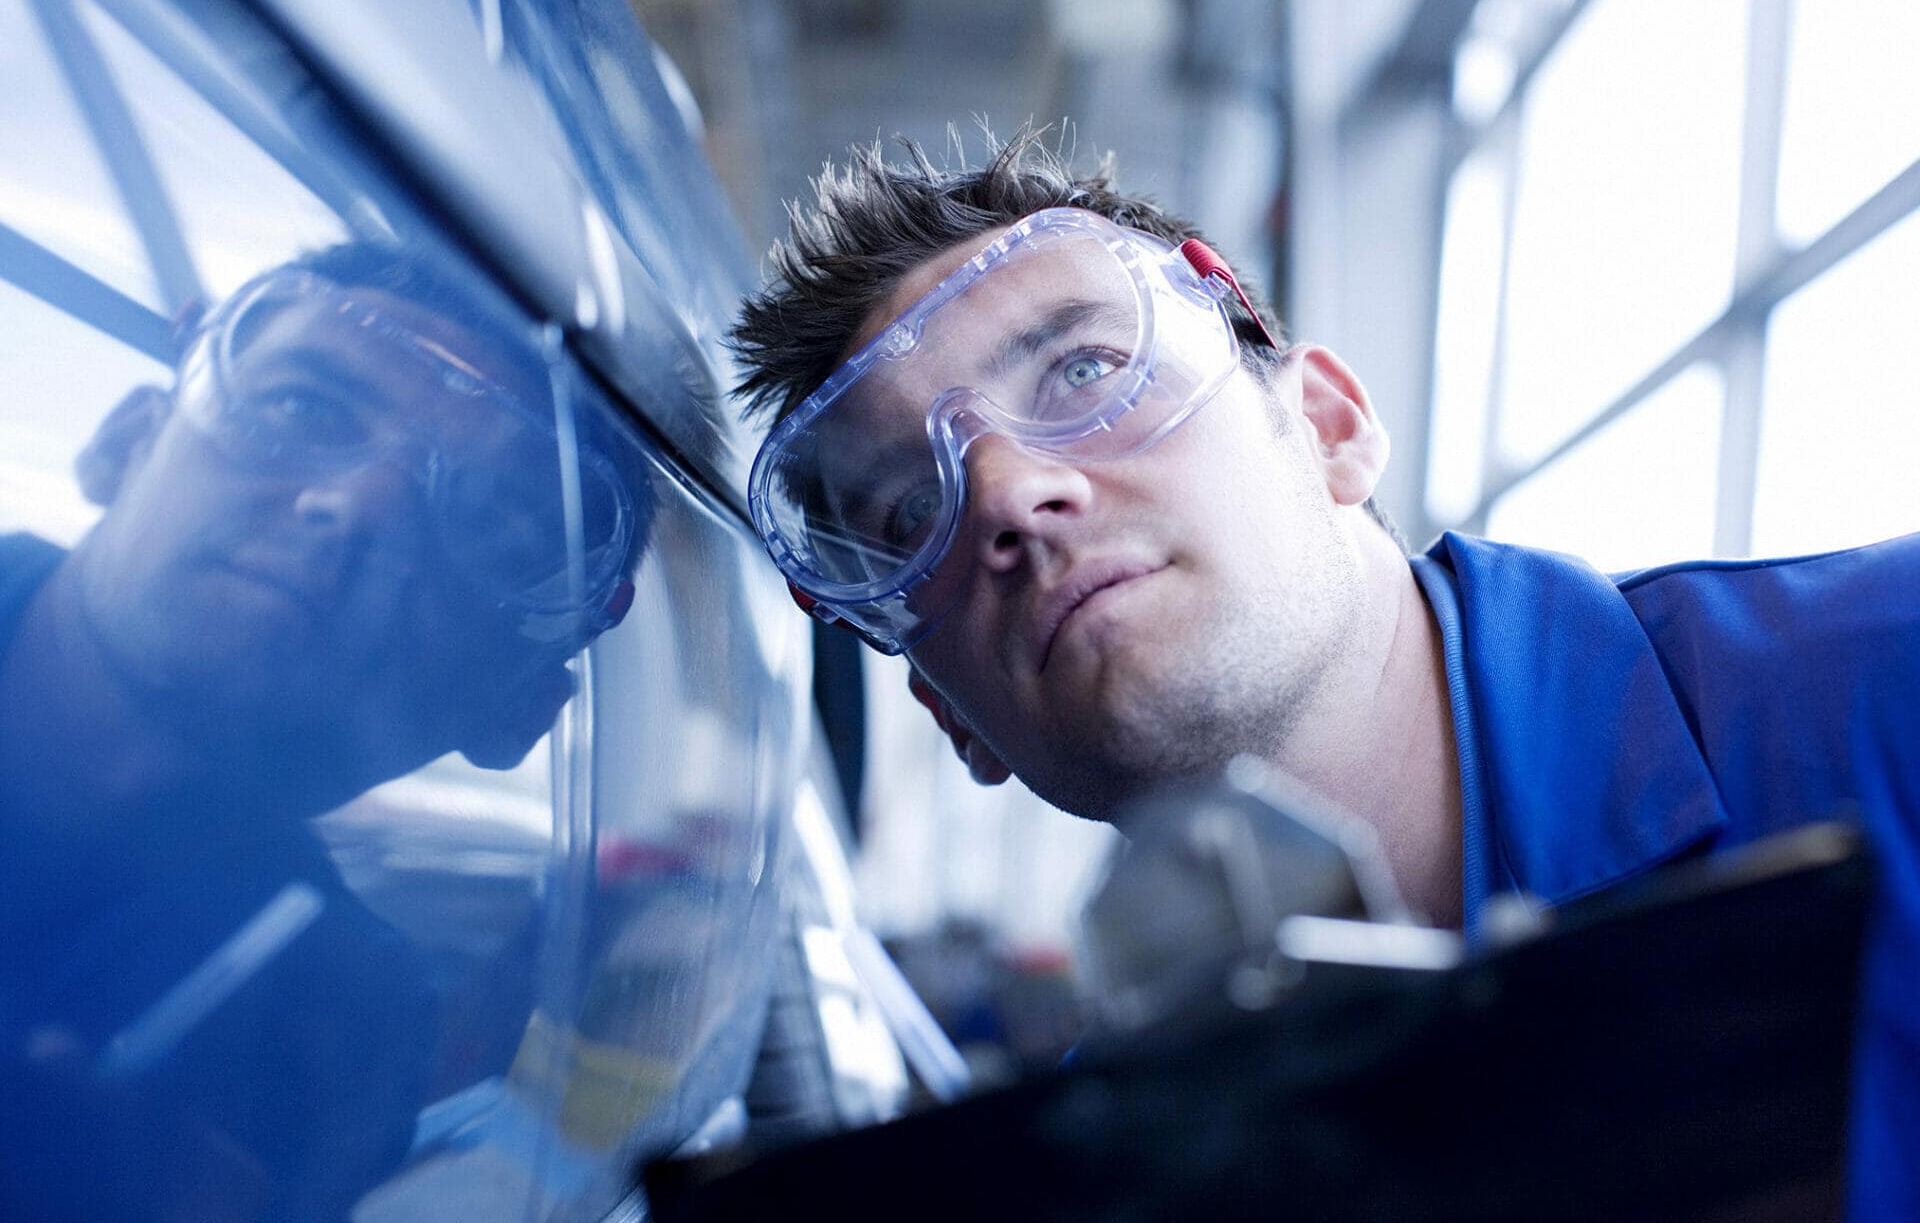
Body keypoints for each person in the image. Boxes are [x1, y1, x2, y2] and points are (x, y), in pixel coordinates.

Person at [727, 132, 1919, 1218]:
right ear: (949, 714)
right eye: (906, 505)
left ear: (1332, 425)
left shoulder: (1886, 689)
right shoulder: (1122, 1168)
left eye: (1083, 371)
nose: (1003, 494)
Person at [0, 241, 647, 1219]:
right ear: (127, 440)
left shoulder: (336, 1020)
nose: (361, 505)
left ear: (517, 709)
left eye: (499, 519)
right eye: (305, 407)